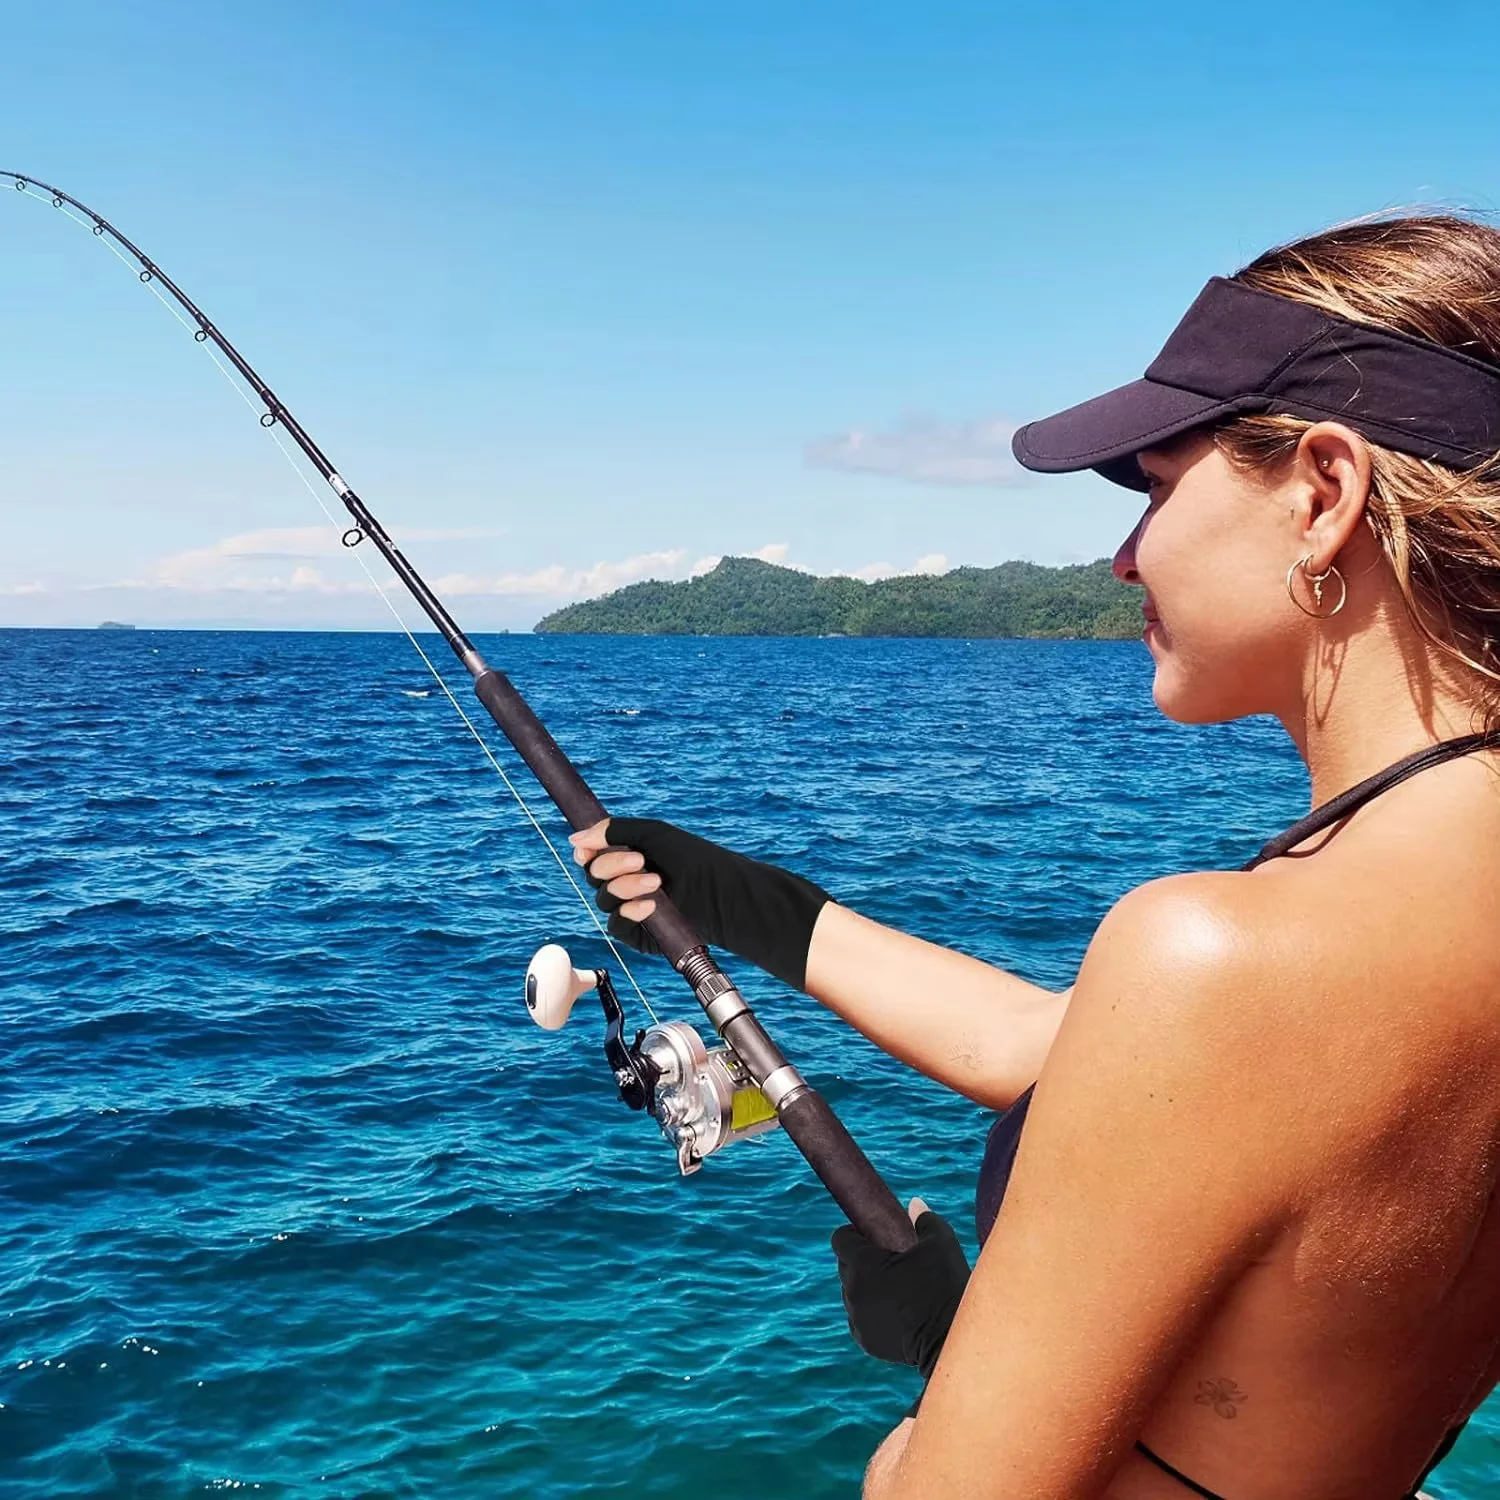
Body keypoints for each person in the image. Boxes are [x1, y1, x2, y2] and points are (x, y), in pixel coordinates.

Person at [570, 214, 1500, 1500]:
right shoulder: (1419, 904)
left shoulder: (1223, 957)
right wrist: (752, 906)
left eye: (1162, 487)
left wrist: (954, 1373)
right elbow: (1081, 1053)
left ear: (1324, 494)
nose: (1125, 556)